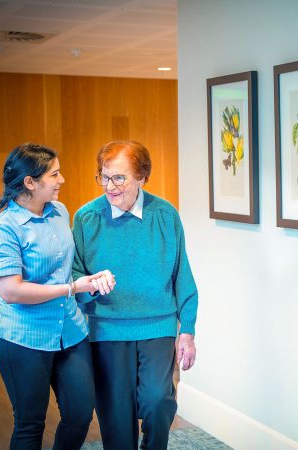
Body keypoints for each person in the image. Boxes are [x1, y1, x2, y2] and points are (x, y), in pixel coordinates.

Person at [0, 143, 116, 450]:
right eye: (54, 174)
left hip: (70, 331)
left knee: (80, 414)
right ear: (30, 182)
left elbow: (64, 270)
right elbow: (11, 291)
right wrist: (71, 289)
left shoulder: (59, 212)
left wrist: (86, 281)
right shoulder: (3, 228)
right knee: (30, 424)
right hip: (22, 340)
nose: (61, 179)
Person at [72, 140, 198, 450]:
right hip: (107, 329)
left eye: (119, 177)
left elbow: (182, 276)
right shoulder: (87, 218)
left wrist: (189, 331)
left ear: (141, 176)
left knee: (158, 402)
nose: (109, 186)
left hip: (158, 326)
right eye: (104, 176)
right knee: (116, 419)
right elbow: (74, 276)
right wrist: (89, 285)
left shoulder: (165, 215)